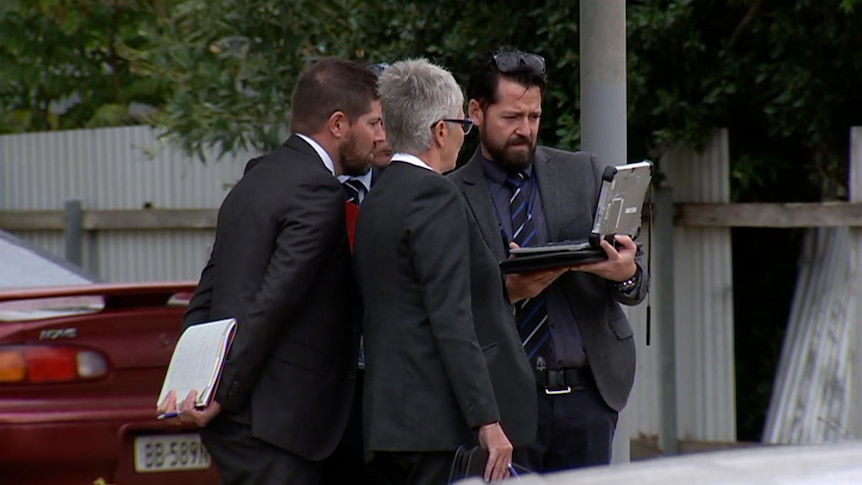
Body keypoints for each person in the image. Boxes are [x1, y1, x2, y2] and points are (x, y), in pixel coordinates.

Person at [157, 57, 385, 485]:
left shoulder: (256, 178)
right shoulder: (318, 191)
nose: (379, 137)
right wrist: (223, 392)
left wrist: (190, 383)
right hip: (281, 425)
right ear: (338, 124)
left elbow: (209, 288)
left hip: (241, 423)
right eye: (373, 123)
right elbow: (275, 301)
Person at [447, 47, 650, 472]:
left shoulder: (584, 172)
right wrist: (506, 294)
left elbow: (636, 282)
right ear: (476, 112)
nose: (525, 130)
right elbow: (447, 304)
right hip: (504, 406)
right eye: (511, 118)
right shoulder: (449, 194)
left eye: (534, 117)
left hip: (589, 396)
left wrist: (625, 273)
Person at [353, 58, 536, 485]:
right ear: (440, 130)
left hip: (388, 420)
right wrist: (487, 420)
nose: (462, 138)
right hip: (437, 423)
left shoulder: (378, 198)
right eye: (461, 126)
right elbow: (451, 317)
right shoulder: (436, 196)